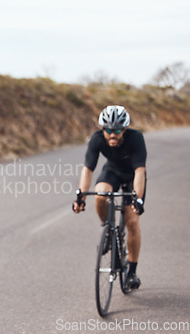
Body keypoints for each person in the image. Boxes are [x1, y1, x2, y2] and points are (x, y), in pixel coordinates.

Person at [73, 105, 147, 289]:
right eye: (108, 130)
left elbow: (140, 171)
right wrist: (80, 195)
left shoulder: (136, 138)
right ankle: (108, 228)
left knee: (132, 222)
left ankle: (131, 272)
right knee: (100, 194)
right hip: (112, 172)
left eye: (117, 130)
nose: (112, 134)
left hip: (132, 178)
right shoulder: (97, 139)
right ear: (102, 128)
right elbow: (88, 169)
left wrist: (137, 198)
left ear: (125, 129)